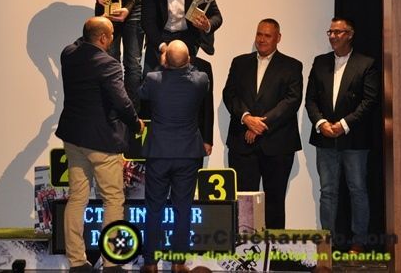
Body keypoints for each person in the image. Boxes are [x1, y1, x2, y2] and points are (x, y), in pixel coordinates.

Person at [55, 16, 144, 272]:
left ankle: (76, 262)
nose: (113, 38)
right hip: (102, 141)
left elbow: (78, 42)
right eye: (112, 34)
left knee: (77, 198)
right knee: (113, 199)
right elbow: (122, 101)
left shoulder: (68, 54)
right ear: (104, 38)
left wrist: (88, 34)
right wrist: (136, 123)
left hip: (74, 138)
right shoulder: (109, 64)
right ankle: (111, 262)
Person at [304, 17, 379, 254]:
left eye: (338, 32)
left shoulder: (366, 63)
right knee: (327, 192)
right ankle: (328, 242)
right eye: (331, 32)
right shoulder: (320, 62)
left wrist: (344, 124)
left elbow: (369, 101)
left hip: (354, 139)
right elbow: (310, 100)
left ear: (350, 34)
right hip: (325, 137)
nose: (333, 36)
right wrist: (321, 123)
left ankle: (359, 241)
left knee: (357, 190)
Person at [222, 18, 303, 229]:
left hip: (278, 144)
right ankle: (243, 245)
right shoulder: (240, 63)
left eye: (267, 35)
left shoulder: (292, 66)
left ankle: (274, 247)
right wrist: (247, 118)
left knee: (275, 201)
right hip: (242, 144)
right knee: (243, 202)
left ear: (278, 38)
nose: (262, 39)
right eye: (259, 34)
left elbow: (291, 101)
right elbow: (229, 94)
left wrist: (260, 126)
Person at [138, 40, 209, 273]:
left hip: (159, 153)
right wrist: (174, 61)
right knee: (183, 209)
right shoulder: (200, 80)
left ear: (166, 60)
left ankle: (150, 263)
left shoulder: (153, 79)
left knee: (154, 209)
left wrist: (163, 62)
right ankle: (178, 263)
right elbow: (191, 69)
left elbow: (141, 93)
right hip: (187, 155)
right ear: (188, 60)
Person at [141, 0, 222, 73]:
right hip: (159, 36)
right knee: (151, 77)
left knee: (185, 79)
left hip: (188, 36)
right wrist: (163, 48)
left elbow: (217, 16)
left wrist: (207, 25)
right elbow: (148, 22)